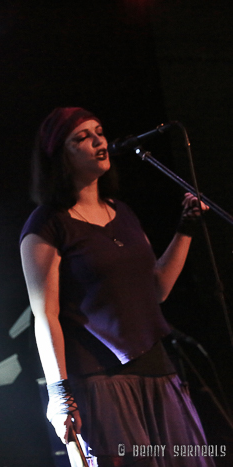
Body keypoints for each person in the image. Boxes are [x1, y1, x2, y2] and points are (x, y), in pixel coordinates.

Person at [19, 107, 213, 466]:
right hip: (100, 380)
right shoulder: (46, 226)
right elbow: (46, 316)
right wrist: (60, 395)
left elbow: (156, 291)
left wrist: (185, 230)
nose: (98, 141)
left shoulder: (121, 212)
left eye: (99, 131)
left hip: (157, 369)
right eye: (82, 137)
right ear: (60, 156)